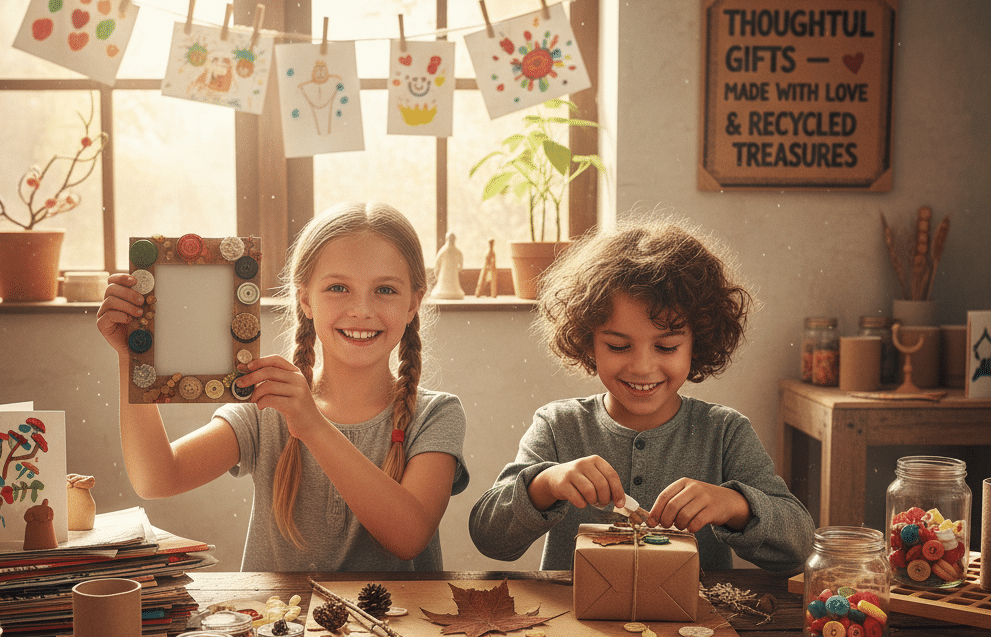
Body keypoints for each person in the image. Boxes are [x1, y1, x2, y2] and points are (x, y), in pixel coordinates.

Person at [97, 201, 468, 572]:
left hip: (400, 628)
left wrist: (313, 426)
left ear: (413, 304)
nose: (361, 310)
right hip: (281, 627)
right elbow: (156, 477)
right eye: (338, 287)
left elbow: (409, 537)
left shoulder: (437, 415)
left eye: (385, 290)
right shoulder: (268, 403)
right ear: (305, 298)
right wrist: (131, 357)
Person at [469, 211, 813, 572]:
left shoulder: (725, 433)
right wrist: (546, 484)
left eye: (666, 347)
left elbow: (800, 545)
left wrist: (735, 506)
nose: (642, 367)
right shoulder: (559, 426)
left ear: (699, 342)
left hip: (695, 626)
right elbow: (489, 538)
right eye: (618, 346)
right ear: (588, 341)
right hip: (574, 624)